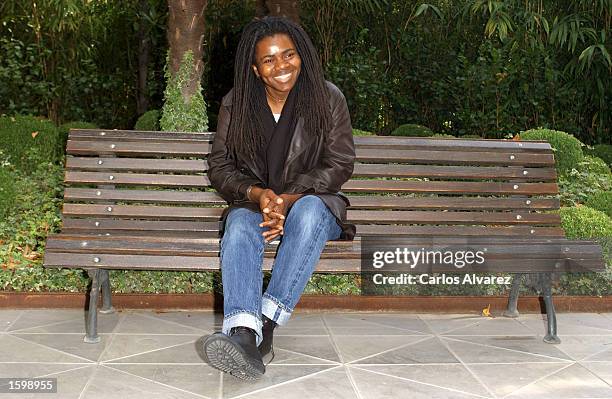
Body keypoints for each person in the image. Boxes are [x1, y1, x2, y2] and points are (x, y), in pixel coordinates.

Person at [202, 16, 355, 380]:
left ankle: (265, 324)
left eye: (289, 55)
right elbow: (220, 167)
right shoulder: (236, 103)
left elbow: (339, 162)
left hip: (313, 208)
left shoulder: (327, 97)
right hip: (256, 207)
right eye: (269, 60)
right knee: (238, 224)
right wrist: (257, 195)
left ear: (301, 55)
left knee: (310, 211)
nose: (282, 66)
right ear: (255, 69)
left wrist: (288, 199)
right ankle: (242, 336)